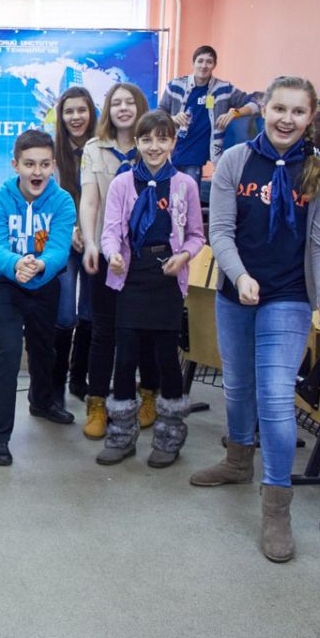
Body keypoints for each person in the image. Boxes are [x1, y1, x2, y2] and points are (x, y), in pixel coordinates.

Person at [190, 76, 320, 563]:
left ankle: (276, 505)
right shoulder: (236, 161)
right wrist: (239, 276)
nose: (287, 119)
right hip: (236, 293)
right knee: (237, 385)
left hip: (289, 297)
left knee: (275, 395)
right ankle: (238, 460)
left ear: (311, 117)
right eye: (279, 108)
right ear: (263, 109)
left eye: (298, 112)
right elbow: (220, 231)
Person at [97, 110, 204, 467]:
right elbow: (110, 231)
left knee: (165, 359)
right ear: (137, 143)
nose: (154, 146)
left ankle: (170, 435)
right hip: (131, 276)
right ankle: (121, 435)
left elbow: (196, 235)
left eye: (162, 139)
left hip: (167, 280)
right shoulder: (122, 183)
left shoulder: (185, 185)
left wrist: (183, 256)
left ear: (173, 142)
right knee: (125, 357)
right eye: (146, 139)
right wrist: (112, 255)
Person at [0, 130, 77, 466]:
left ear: (53, 166)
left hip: (44, 281)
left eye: (44, 164)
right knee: (6, 354)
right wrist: (17, 265)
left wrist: (40, 265)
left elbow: (60, 249)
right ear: (16, 165)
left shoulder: (62, 201)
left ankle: (42, 402)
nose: (37, 172)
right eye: (30, 164)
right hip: (2, 284)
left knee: (43, 348)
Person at [78, 82, 161, 439]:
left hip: (146, 257)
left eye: (130, 102)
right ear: (108, 110)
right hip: (107, 253)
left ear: (140, 106)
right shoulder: (94, 149)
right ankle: (97, 402)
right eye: (116, 103)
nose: (123, 108)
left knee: (147, 331)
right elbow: (90, 200)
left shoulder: (153, 145)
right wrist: (91, 243)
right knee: (104, 331)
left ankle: (148, 395)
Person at [157, 45, 261, 202]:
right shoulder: (175, 86)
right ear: (193, 63)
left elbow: (258, 101)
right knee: (171, 197)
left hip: (202, 153)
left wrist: (235, 112)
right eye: (200, 61)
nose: (204, 66)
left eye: (209, 62)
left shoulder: (223, 89)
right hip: (175, 149)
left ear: (214, 65)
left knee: (187, 198)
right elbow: (159, 113)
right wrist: (173, 118)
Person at [52, 87, 98, 403]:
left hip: (95, 241)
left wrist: (90, 233)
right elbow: (48, 198)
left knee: (90, 313)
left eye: (82, 110)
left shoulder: (101, 149)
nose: (76, 117)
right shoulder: (54, 152)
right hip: (63, 242)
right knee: (65, 314)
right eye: (69, 111)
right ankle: (55, 386)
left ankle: (79, 381)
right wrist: (70, 230)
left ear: (91, 113)